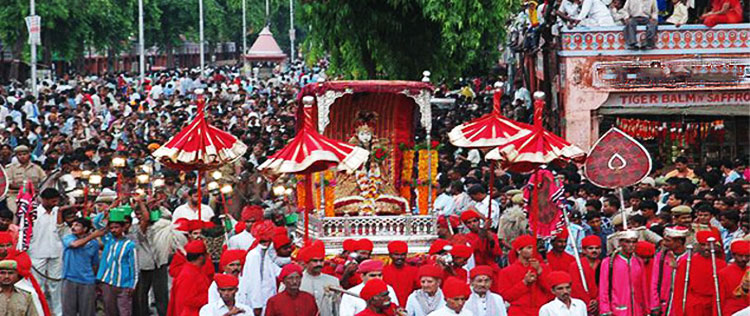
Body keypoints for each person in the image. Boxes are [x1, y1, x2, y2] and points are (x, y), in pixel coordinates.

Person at [132, 197, 185, 316]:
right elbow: (146, 218)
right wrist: (141, 203)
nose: (140, 216)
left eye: (141, 213)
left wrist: (154, 204)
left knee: (161, 294)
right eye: (138, 214)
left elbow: (167, 215)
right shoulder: (138, 228)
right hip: (145, 265)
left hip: (159, 262)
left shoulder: (160, 224)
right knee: (142, 294)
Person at [28, 188, 66, 316]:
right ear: (44, 200)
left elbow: (63, 231)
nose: (55, 203)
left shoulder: (59, 212)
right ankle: (39, 312)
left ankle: (58, 312)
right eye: (52, 201)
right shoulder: (33, 213)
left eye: (57, 201)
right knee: (38, 285)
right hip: (37, 252)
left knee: (56, 284)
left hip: (56, 251)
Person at [672, 231, 727, 316]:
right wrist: (679, 312)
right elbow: (679, 290)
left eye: (709, 245)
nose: (706, 248)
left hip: (713, 306)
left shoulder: (721, 264)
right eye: (703, 245)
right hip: (693, 307)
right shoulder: (687, 263)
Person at [496, 235, 553, 316]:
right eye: (529, 248)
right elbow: (506, 296)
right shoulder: (506, 272)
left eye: (534, 248)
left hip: (541, 311)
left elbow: (551, 290)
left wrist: (540, 272)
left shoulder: (543, 268)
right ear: (519, 250)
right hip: (519, 312)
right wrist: (524, 283)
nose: (533, 251)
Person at [96, 208, 138, 316]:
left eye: (116, 227)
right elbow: (96, 223)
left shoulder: (130, 245)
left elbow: (134, 266)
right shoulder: (108, 241)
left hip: (124, 284)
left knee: (124, 311)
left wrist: (133, 284)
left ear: (123, 227)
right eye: (111, 228)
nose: (114, 230)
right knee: (110, 310)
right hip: (107, 282)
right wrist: (106, 212)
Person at [598, 230, 650, 316]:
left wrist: (646, 309)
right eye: (628, 242)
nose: (631, 245)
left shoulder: (638, 261)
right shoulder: (609, 262)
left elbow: (643, 287)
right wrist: (605, 309)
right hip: (618, 308)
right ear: (621, 242)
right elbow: (604, 287)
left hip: (638, 309)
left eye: (634, 242)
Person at [61, 217, 104, 316]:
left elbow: (94, 264)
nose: (73, 227)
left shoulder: (94, 244)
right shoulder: (68, 238)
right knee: (68, 311)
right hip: (69, 278)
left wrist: (94, 280)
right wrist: (93, 235)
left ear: (85, 229)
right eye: (73, 225)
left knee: (87, 311)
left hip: (87, 281)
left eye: (77, 225)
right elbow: (75, 245)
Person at [237, 221, 279, 315]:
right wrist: (257, 305)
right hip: (259, 303)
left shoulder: (265, 254)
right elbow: (254, 281)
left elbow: (275, 270)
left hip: (267, 299)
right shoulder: (255, 255)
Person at [649, 226, 689, 316]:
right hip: (663, 303)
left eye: (668, 240)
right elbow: (654, 281)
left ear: (679, 242)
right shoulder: (661, 256)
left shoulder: (689, 258)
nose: (664, 243)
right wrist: (655, 304)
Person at [168, 240, 213, 316]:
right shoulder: (188, 275)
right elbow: (186, 301)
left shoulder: (194, 270)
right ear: (201, 257)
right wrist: (211, 297)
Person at [299, 240, 341, 316]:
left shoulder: (333, 281)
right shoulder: (296, 281)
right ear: (306, 262)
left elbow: (337, 308)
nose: (319, 264)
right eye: (315, 261)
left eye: (321, 260)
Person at [5, 145, 46, 213]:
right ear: (16, 156)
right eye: (19, 155)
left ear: (29, 154)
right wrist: (25, 187)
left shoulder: (37, 168)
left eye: (24, 154)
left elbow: (44, 181)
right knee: (15, 211)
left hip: (34, 195)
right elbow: (9, 184)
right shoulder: (10, 168)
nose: (22, 156)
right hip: (15, 195)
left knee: (42, 210)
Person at [569, 235, 600, 315]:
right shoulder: (576, 265)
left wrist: (598, 300)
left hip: (600, 304)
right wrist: (588, 302)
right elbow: (576, 286)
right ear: (583, 250)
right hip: (581, 305)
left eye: (597, 248)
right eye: (590, 248)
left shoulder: (604, 264)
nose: (594, 250)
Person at [718, 240, 750, 316]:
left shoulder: (749, 270)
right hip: (732, 311)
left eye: (747, 256)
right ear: (733, 255)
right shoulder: (723, 273)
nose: (744, 259)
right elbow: (720, 298)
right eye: (740, 256)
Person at [382, 241, 417, 307]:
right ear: (390, 255)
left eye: (402, 254)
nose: (399, 257)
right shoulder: (383, 271)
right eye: (396, 254)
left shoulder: (414, 271)